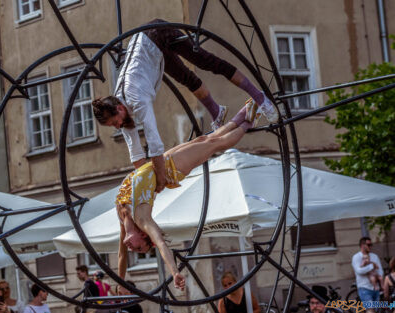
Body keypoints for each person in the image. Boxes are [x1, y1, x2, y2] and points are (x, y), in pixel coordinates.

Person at [92, 18, 278, 196]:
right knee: (185, 78)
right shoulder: (122, 112)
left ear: (119, 109)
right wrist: (146, 180)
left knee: (206, 61)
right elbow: (135, 152)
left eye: (114, 122)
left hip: (157, 34)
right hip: (151, 50)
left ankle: (259, 97)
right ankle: (217, 111)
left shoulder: (136, 98)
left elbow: (154, 143)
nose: (116, 127)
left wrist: (160, 179)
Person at [115, 100, 260, 289]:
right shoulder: (143, 219)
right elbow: (161, 244)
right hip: (172, 169)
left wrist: (119, 281)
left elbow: (121, 255)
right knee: (216, 144)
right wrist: (174, 272)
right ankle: (249, 121)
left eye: (136, 250)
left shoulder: (122, 216)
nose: (133, 249)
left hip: (160, 162)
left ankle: (243, 113)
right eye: (140, 248)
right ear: (144, 235)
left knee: (205, 140)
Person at [351, 237, 383, 313]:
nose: (370, 246)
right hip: (364, 288)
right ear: (362, 245)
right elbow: (359, 271)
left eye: (371, 244)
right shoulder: (356, 257)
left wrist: (378, 276)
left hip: (376, 288)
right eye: (368, 244)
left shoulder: (375, 256)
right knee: (370, 310)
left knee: (376, 310)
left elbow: (380, 270)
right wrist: (372, 266)